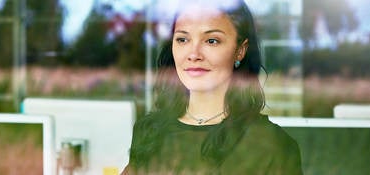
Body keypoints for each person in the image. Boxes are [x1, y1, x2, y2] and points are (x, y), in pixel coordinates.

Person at [122, 0, 303, 174]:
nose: (193, 54)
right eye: (183, 39)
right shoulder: (150, 131)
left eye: (211, 41)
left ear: (240, 50)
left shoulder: (271, 145)